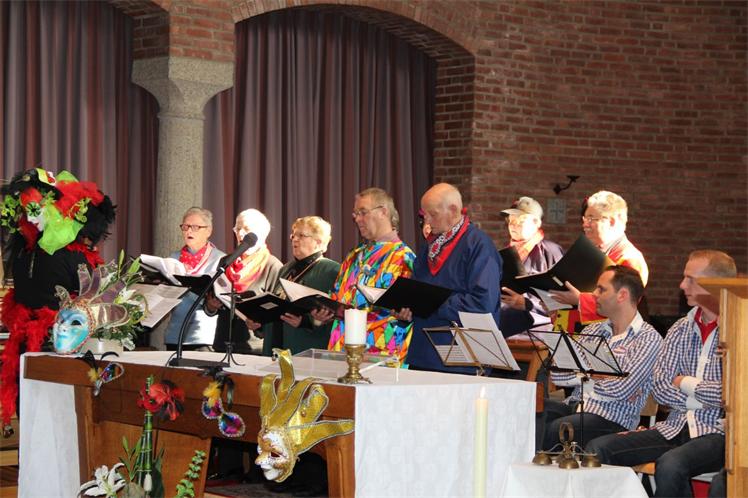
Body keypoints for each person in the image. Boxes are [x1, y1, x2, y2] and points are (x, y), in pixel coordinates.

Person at [587, 250, 737, 498]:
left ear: (716, 285)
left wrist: (684, 382)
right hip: (674, 427)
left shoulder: (737, 328)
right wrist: (706, 397)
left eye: (690, 279)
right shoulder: (680, 328)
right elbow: (660, 388)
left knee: (671, 465)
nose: (682, 285)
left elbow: (732, 392)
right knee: (598, 449)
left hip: (718, 433)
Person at [0, 168, 116, 432]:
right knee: (35, 416)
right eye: (27, 211)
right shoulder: (26, 254)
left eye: (36, 210)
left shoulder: (68, 254)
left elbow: (91, 303)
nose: (31, 218)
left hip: (60, 346)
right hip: (31, 345)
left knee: (53, 419)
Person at [539, 265, 662, 449]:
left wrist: (581, 374)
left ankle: (543, 467)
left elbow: (620, 390)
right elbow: (558, 375)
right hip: (575, 406)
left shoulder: (648, 339)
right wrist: (593, 375)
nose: (594, 294)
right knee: (531, 412)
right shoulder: (593, 329)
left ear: (622, 295)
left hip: (611, 418)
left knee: (559, 428)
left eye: (601, 289)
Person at [400, 183, 502, 373]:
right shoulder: (429, 247)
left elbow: (483, 304)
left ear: (453, 210)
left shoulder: (479, 246)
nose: (427, 221)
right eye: (423, 215)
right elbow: (417, 292)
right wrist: (406, 311)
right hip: (423, 353)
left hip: (461, 360)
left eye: (433, 214)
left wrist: (434, 302)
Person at [319, 188, 415, 362]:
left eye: (363, 212)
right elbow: (339, 297)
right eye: (355, 214)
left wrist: (405, 315)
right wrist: (325, 311)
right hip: (341, 349)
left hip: (379, 354)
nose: (357, 219)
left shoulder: (404, 257)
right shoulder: (354, 255)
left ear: (383, 212)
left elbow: (406, 311)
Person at [551, 190, 648, 330]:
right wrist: (556, 303)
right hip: (572, 332)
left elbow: (622, 306)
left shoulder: (629, 259)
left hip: (605, 336)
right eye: (585, 218)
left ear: (612, 221)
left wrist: (579, 300)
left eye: (591, 219)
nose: (585, 225)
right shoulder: (588, 253)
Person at [205, 208, 282, 355]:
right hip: (223, 343)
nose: (240, 233)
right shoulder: (225, 261)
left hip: (254, 348)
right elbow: (210, 305)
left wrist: (260, 323)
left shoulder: (273, 266)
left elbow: (276, 312)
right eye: (237, 228)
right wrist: (211, 305)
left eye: (246, 229)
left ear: (262, 233)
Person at [263, 216, 340, 355]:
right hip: (276, 344)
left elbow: (339, 314)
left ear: (318, 242)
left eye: (301, 235)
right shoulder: (285, 269)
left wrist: (308, 322)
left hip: (306, 346)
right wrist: (258, 320)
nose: (295, 239)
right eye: (293, 235)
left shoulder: (332, 271)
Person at [499, 196, 564, 337]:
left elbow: (563, 298)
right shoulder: (505, 255)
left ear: (536, 223)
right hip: (506, 328)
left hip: (538, 332)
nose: (513, 226)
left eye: (520, 222)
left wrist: (527, 303)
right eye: (511, 221)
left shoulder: (550, 251)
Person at [163, 207, 225, 351]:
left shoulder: (220, 259)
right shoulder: (173, 258)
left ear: (208, 231)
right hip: (175, 334)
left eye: (195, 227)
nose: (189, 231)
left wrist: (213, 303)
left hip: (204, 336)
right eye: (185, 227)